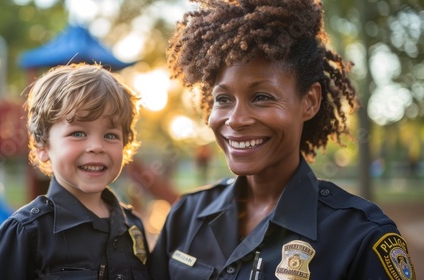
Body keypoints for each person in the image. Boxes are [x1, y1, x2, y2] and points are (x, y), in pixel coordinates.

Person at [148, 0, 416, 279]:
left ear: (309, 102)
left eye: (261, 97)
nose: (236, 120)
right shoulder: (185, 217)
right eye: (223, 99)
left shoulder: (361, 238)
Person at [0, 63, 149, 280]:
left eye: (111, 135)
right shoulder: (26, 232)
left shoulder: (132, 226)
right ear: (43, 148)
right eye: (78, 133)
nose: (97, 146)